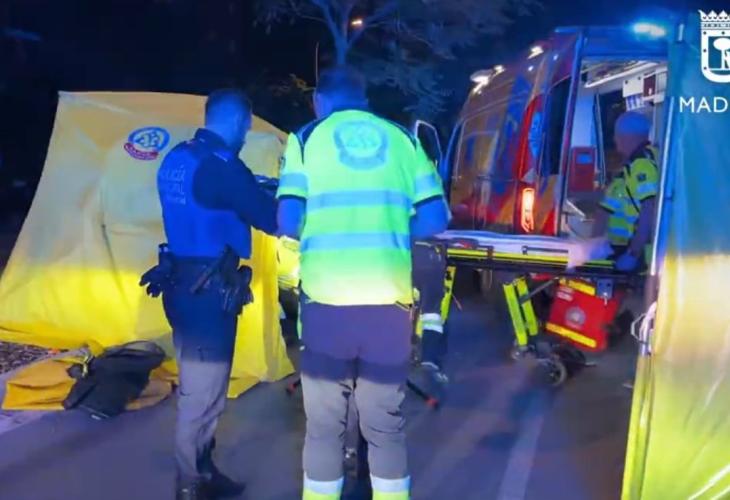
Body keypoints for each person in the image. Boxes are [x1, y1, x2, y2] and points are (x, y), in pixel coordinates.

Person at [277, 66, 449, 500]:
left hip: (326, 306)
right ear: (364, 99)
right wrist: (390, 232)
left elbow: (288, 220)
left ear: (319, 101)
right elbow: (435, 217)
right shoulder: (403, 139)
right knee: (385, 428)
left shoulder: (305, 139)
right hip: (387, 306)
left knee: (324, 429)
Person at [142, 89, 277, 500]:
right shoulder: (223, 166)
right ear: (238, 121)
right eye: (246, 128)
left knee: (199, 387)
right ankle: (190, 484)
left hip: (181, 285)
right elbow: (271, 219)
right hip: (208, 293)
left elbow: (206, 203)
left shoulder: (179, 157)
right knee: (203, 395)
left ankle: (203, 469)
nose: (245, 135)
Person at [594, 111, 659, 271]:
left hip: (644, 258)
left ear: (627, 137)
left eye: (617, 135)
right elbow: (605, 210)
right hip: (630, 252)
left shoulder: (642, 166)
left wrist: (633, 254)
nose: (615, 140)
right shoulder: (632, 166)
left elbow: (649, 209)